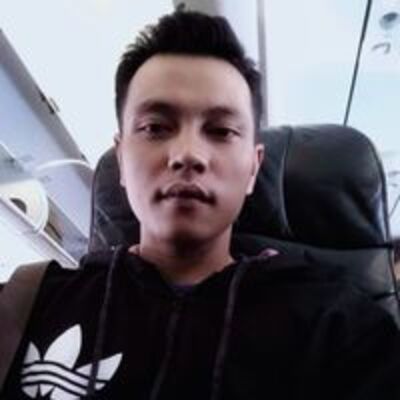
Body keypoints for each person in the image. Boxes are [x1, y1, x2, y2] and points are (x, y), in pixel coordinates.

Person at [2, 10, 400, 400]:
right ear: (121, 159)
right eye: (155, 127)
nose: (188, 154)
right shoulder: (25, 304)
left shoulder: (338, 329)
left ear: (253, 168)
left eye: (221, 130)